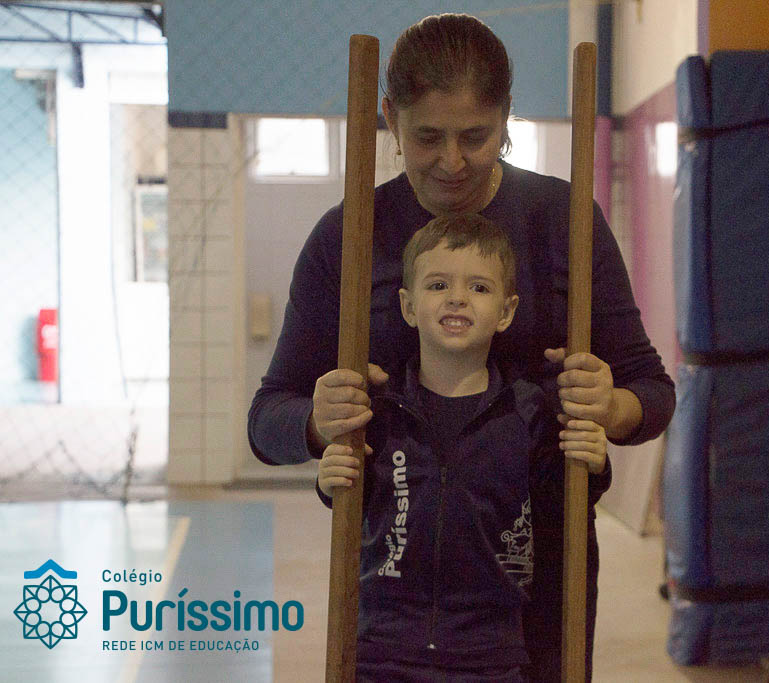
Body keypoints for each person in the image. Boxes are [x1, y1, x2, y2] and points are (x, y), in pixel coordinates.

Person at [248, 13, 675, 680]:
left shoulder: (565, 222)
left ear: (505, 119)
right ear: (390, 119)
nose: (452, 162)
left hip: (540, 573)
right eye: (428, 137)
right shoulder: (349, 235)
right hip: (391, 584)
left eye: (475, 136)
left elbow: (653, 392)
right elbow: (267, 419)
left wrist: (610, 405)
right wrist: (315, 420)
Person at [315, 213, 608, 679]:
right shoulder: (379, 412)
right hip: (383, 648)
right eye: (438, 285)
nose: (457, 297)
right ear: (408, 307)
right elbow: (356, 504)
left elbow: (562, 504)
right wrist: (329, 480)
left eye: (479, 287)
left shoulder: (528, 413)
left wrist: (593, 463)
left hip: (491, 654)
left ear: (506, 312)